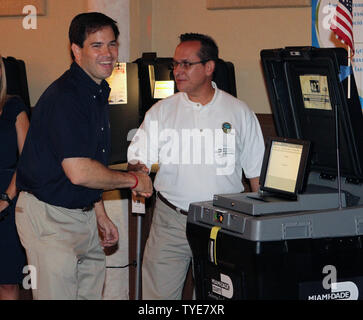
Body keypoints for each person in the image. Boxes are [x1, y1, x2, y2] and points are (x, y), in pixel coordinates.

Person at [15, 12, 153, 300]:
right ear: (76, 51)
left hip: (83, 214)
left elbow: (92, 163)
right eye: (97, 45)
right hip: (49, 218)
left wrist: (99, 213)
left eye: (112, 44)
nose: (108, 54)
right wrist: (133, 180)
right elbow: (79, 171)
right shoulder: (66, 97)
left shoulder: (96, 91)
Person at [127, 33, 265, 300]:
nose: (178, 71)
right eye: (175, 64)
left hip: (223, 222)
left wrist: (257, 227)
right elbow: (137, 159)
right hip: (170, 220)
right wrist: (139, 172)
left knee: (217, 298)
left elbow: (256, 175)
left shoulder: (238, 112)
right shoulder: (161, 111)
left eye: (186, 64)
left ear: (209, 67)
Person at [0, 56, 30, 300]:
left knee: (8, 283)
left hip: (8, 203)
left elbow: (28, 159)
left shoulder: (14, 107)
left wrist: (6, 198)